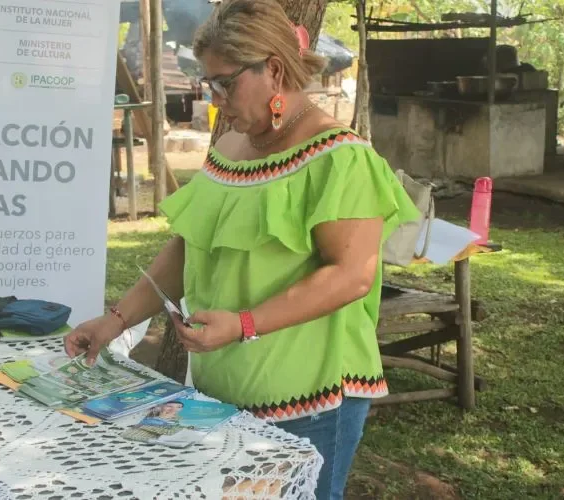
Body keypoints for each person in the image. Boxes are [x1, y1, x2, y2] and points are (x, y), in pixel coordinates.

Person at [64, 0, 420, 497]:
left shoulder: (340, 157)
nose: (216, 98)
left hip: (309, 401)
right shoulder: (229, 148)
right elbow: (189, 248)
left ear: (273, 70)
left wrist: (244, 324)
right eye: (209, 83)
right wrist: (117, 320)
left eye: (225, 83)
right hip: (222, 390)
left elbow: (351, 275)